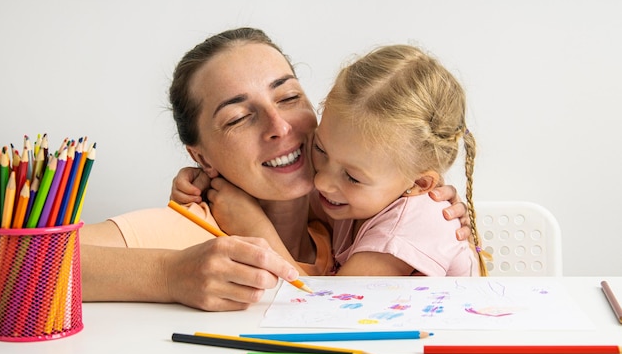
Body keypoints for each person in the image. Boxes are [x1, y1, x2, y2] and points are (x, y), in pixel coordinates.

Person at [81, 28, 472, 312]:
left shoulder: (342, 219)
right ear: (201, 158)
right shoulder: (187, 232)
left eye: (288, 97)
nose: (280, 127)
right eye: (237, 118)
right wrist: (168, 275)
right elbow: (22, 266)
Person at [175, 42, 488, 277]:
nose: (321, 181)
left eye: (351, 176)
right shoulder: (360, 194)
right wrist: (205, 180)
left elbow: (327, 315)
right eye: (320, 150)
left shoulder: (405, 229)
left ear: (419, 183)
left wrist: (256, 229)